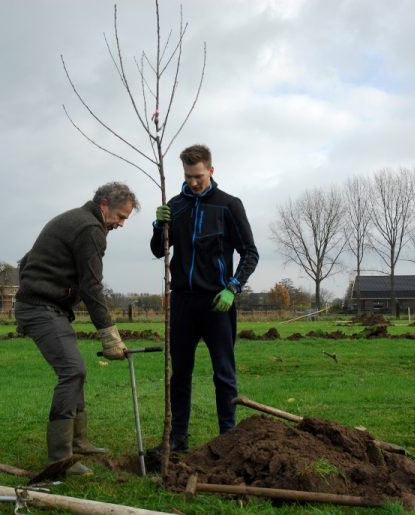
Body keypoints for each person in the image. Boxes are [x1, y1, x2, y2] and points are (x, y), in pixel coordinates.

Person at [15, 182, 139, 477]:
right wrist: (109, 333)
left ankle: (79, 441)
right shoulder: (90, 229)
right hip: (40, 307)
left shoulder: (72, 218)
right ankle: (59, 457)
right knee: (72, 371)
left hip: (47, 306)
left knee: (76, 369)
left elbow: (26, 261)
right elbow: (91, 286)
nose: (121, 225)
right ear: (104, 204)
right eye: (120, 217)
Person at [149, 144, 258, 452]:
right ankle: (177, 438)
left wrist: (233, 287)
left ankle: (228, 440)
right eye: (187, 176)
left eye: (198, 175)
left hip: (217, 303)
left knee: (223, 373)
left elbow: (250, 252)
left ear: (211, 170)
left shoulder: (228, 206)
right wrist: (159, 226)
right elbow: (159, 250)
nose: (193, 182)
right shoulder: (176, 205)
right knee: (179, 373)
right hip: (182, 301)